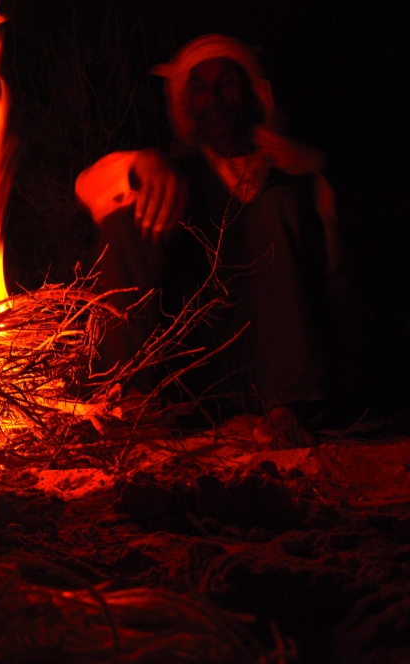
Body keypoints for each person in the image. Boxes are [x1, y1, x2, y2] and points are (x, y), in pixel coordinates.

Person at [75, 34, 348, 446]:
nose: (213, 98)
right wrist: (142, 163)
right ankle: (132, 401)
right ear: (185, 103)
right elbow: (90, 188)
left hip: (272, 368)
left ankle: (289, 412)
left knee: (278, 206)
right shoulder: (173, 173)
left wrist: (308, 172)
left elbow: (335, 273)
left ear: (250, 93)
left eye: (225, 84)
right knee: (126, 216)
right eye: (199, 88)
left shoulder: (290, 172)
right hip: (194, 372)